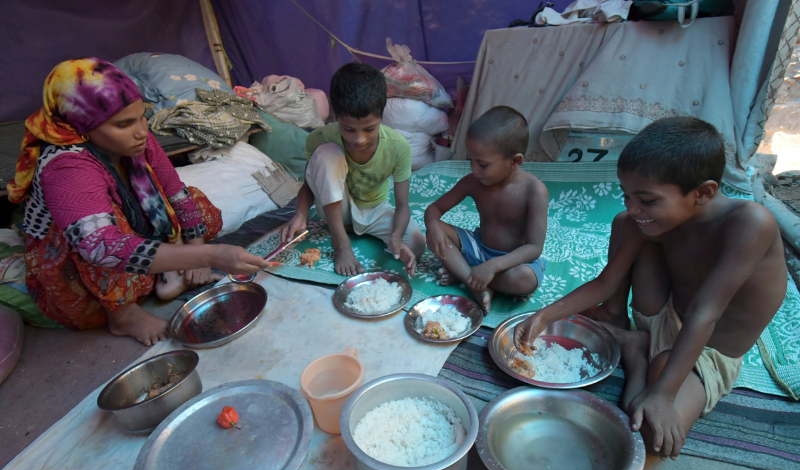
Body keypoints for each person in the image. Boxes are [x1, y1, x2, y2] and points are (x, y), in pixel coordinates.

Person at [514, 117, 787, 459]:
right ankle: (628, 332)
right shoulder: (642, 218)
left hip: (708, 349)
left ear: (703, 193)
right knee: (625, 224)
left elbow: (706, 313)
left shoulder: (750, 224)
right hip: (661, 314)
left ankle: (635, 352)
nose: (633, 206)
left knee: (648, 434)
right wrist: (544, 315)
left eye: (646, 199)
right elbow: (605, 283)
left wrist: (663, 395)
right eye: (626, 194)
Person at [9, 58, 271, 346]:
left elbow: (174, 190)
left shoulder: (136, 137)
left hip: (134, 228)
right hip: (80, 262)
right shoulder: (66, 167)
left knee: (194, 201)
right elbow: (101, 247)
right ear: (82, 126)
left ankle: (170, 269)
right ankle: (123, 316)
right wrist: (211, 256)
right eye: (124, 124)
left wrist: (198, 247)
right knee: (104, 236)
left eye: (142, 117)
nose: (141, 131)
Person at [280, 63, 426, 277]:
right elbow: (310, 184)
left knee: (415, 243)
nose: (359, 139)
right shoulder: (319, 138)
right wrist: (300, 214)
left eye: (370, 129)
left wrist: (396, 237)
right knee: (327, 153)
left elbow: (403, 205)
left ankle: (353, 230)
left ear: (382, 116)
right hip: (338, 209)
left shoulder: (398, 146)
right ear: (336, 116)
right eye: (348, 129)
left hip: (376, 210)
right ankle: (341, 242)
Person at [424, 106, 548, 314]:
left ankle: (466, 275)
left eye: (482, 164)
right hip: (478, 248)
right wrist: (433, 225)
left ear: (515, 162)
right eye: (470, 160)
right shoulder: (473, 182)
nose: (474, 169)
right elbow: (434, 209)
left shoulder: (534, 191)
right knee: (433, 234)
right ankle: (475, 282)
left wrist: (492, 267)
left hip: (512, 261)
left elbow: (534, 247)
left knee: (525, 281)